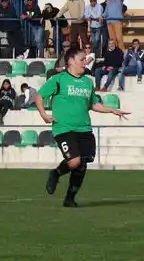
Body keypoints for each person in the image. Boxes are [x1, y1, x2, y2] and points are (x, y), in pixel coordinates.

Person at [37, 45, 131, 207]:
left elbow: (93, 105)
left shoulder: (88, 82)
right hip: (63, 128)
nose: (85, 62)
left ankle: (70, 198)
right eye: (82, 59)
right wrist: (44, 114)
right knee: (74, 162)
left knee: (82, 165)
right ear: (71, 61)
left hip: (85, 129)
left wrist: (112, 110)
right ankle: (56, 173)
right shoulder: (58, 79)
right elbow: (39, 96)